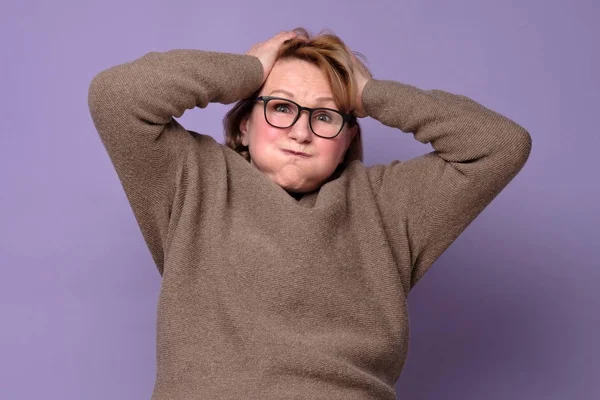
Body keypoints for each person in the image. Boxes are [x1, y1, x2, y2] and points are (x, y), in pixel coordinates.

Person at [88, 28, 531, 400]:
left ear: (348, 135)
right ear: (245, 122)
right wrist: (247, 71)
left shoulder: (387, 205)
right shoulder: (192, 180)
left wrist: (369, 93)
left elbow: (501, 145)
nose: (301, 132)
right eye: (280, 107)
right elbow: (117, 96)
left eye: (325, 116)